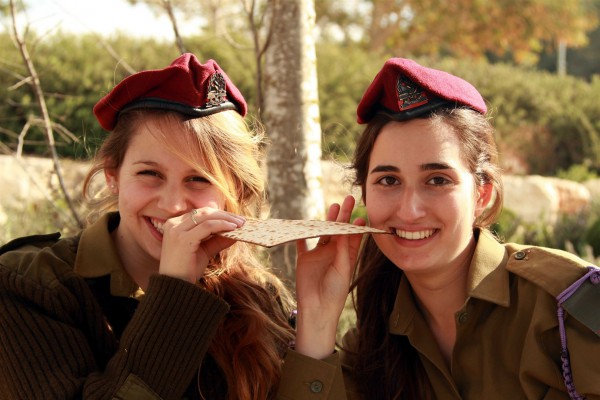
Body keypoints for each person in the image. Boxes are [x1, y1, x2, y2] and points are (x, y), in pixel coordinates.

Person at [276, 58, 600, 399]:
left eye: (437, 180)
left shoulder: (562, 308)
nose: (409, 210)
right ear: (365, 196)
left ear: (483, 194)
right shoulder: (370, 348)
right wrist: (317, 321)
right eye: (388, 180)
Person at [0, 53, 295, 399]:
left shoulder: (257, 294)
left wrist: (318, 323)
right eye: (149, 173)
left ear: (235, 192)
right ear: (113, 176)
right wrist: (174, 293)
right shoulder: (30, 284)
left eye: (199, 179)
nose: (172, 205)